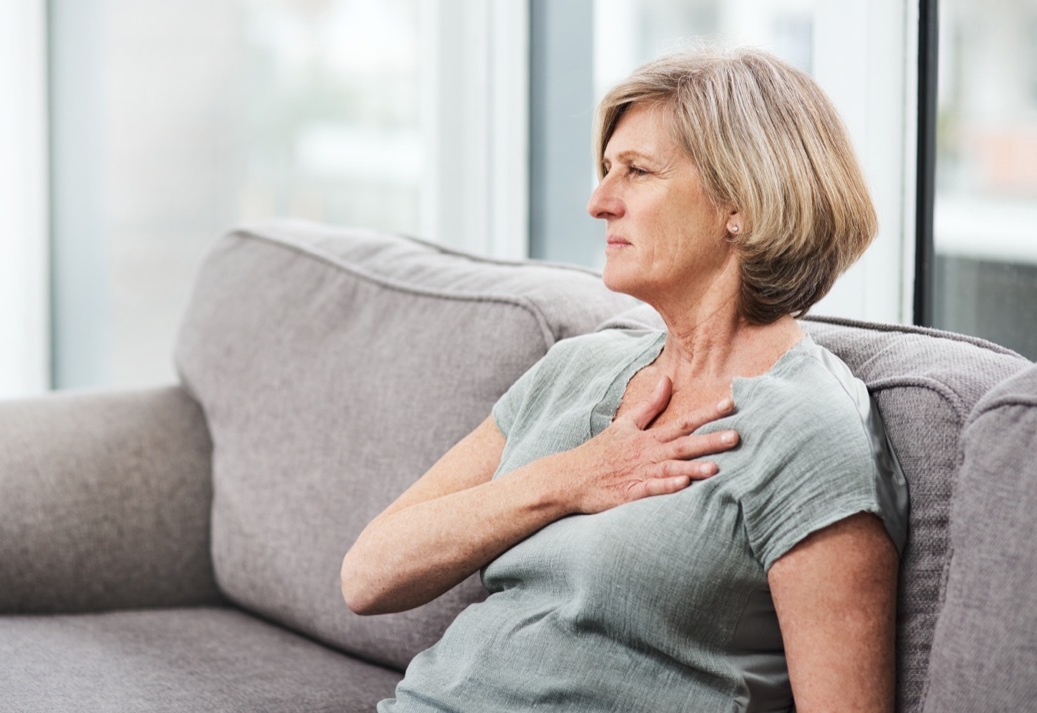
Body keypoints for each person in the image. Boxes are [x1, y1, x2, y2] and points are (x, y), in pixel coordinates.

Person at [342, 46, 909, 713]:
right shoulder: (576, 369)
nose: (598, 202)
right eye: (606, 170)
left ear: (741, 202)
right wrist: (573, 477)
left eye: (636, 171)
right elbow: (368, 575)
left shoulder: (808, 430)